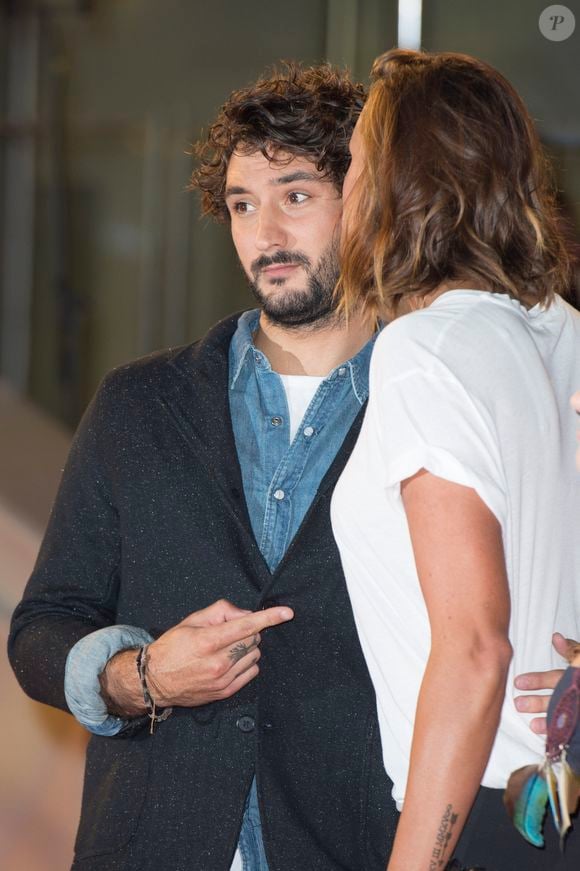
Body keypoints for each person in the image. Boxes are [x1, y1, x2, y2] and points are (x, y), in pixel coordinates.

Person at [8, 62, 565, 871]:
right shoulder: (138, 403)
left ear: (370, 192)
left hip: (363, 845)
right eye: (242, 205)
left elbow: (506, 606)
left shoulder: (436, 384)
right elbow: (41, 628)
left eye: (297, 196)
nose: (265, 233)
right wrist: (140, 676)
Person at [332, 49, 580, 870]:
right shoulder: (555, 334)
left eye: (358, 164)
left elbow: (475, 649)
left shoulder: (426, 348)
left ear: (399, 187)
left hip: (483, 816)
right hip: (549, 807)